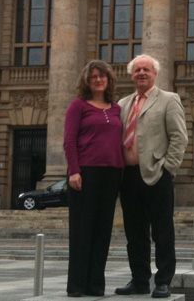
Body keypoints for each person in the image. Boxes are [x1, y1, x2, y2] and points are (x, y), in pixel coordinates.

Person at [115, 55, 187, 299]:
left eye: (146, 69)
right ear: (132, 75)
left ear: (155, 74)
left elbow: (179, 137)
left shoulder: (169, 99)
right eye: (137, 70)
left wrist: (168, 169)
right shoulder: (123, 104)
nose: (141, 73)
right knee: (135, 233)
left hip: (157, 174)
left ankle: (163, 281)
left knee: (162, 231)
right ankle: (139, 280)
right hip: (128, 176)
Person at [64, 60, 124, 298]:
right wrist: (74, 170)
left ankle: (96, 285)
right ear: (87, 81)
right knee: (82, 230)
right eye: (94, 77)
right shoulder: (78, 106)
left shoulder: (116, 108)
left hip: (112, 173)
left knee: (103, 231)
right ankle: (77, 285)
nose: (98, 80)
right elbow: (69, 140)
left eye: (102, 76)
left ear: (108, 79)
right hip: (85, 173)